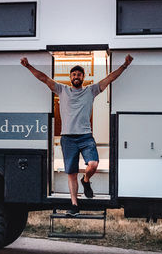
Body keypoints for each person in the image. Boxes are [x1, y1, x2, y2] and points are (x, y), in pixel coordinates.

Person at [20, 55, 132, 214]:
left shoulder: (91, 90)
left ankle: (86, 180)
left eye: (79, 74)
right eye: (74, 75)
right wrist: (28, 66)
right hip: (68, 139)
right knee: (71, 173)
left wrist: (124, 65)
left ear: (83, 77)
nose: (76, 77)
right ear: (70, 77)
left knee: (93, 164)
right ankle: (74, 205)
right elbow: (44, 78)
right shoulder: (61, 90)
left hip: (86, 136)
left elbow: (109, 78)